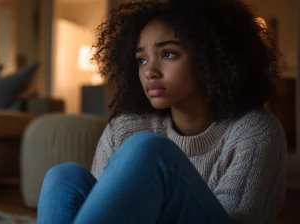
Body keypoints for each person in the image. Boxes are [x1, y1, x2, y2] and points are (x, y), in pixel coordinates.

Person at [38, 0, 287, 223]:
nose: (149, 71)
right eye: (142, 60)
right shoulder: (124, 128)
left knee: (148, 148)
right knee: (63, 176)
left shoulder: (255, 130)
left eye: (168, 54)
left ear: (211, 58)